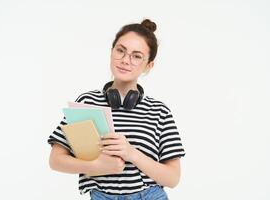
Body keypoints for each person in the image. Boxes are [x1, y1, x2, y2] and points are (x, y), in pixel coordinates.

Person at [48, 19, 185, 200]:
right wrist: (98, 166)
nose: (125, 60)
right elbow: (56, 160)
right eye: (120, 50)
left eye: (136, 56)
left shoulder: (159, 111)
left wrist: (131, 153)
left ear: (148, 65)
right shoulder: (87, 102)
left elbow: (173, 178)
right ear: (112, 51)